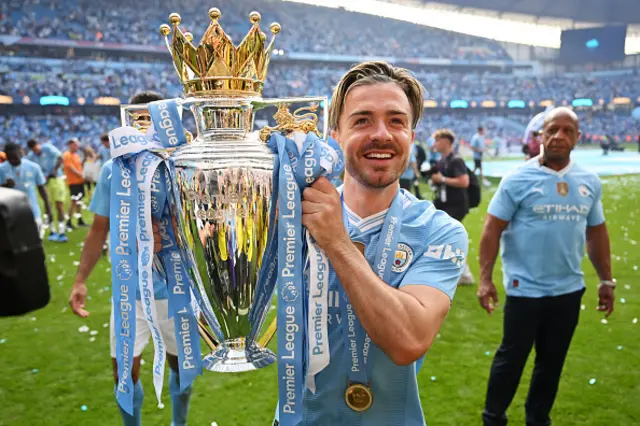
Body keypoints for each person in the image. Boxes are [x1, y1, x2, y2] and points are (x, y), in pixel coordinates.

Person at [273, 61, 468, 425]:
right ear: (335, 134)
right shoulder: (290, 216)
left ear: (411, 135)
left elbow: (409, 340)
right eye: (362, 120)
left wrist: (336, 241)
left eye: (396, 121)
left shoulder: (439, 230)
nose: (381, 134)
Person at [477, 107, 614, 426]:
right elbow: (491, 229)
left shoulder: (589, 182)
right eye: (552, 130)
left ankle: (538, 418)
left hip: (568, 290)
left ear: (578, 137)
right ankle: (493, 416)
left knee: (552, 363)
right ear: (540, 135)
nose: (559, 136)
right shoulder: (517, 178)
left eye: (568, 130)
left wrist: (606, 280)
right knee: (511, 358)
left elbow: (597, 231)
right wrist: (485, 279)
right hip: (524, 290)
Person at [68, 90, 194, 426]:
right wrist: (80, 279)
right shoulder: (114, 170)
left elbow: (202, 228)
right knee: (124, 372)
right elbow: (98, 229)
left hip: (174, 286)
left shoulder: (181, 166)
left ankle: (178, 423)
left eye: (150, 120)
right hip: (130, 291)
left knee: (180, 365)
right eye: (138, 120)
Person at [424, 129, 474, 285]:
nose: (435, 144)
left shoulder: (455, 160)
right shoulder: (443, 160)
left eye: (438, 140)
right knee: (447, 237)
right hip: (446, 203)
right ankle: (461, 273)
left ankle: (464, 274)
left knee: (449, 237)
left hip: (456, 204)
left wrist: (443, 179)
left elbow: (464, 181)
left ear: (446, 141)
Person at [0, 142, 53, 239]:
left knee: (36, 241)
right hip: (12, 213)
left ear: (20, 153)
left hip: (32, 211)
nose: (14, 161)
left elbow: (41, 188)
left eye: (15, 158)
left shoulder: (33, 167)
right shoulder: (2, 169)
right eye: (10, 159)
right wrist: (5, 185)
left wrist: (48, 207)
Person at [26, 138, 68, 242]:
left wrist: (54, 170)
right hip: (44, 183)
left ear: (38, 144)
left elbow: (60, 157)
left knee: (59, 205)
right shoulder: (31, 156)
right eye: (33, 149)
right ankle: (52, 231)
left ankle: (62, 232)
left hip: (56, 179)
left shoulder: (48, 148)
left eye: (36, 147)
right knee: (47, 205)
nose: (36, 150)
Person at [62, 138, 87, 229]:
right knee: (74, 201)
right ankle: (68, 221)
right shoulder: (67, 155)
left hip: (79, 181)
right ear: (70, 145)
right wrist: (81, 175)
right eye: (75, 145)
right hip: (73, 182)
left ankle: (79, 220)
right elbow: (71, 168)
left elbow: (80, 165)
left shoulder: (76, 155)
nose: (77, 147)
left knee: (79, 201)